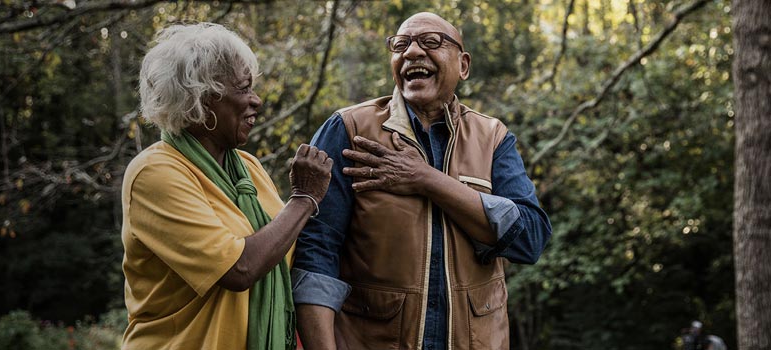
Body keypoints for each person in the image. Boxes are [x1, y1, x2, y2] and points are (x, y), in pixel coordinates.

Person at [290, 12, 554, 350]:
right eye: (400, 45)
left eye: (431, 42)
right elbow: (316, 253)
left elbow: (530, 239)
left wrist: (426, 179)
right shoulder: (349, 130)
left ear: (463, 65)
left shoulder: (493, 138)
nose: (412, 52)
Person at [120, 22, 333, 350]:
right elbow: (239, 269)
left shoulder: (248, 169)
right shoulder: (155, 173)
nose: (256, 101)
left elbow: (288, 248)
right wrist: (304, 199)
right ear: (201, 101)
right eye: (244, 88)